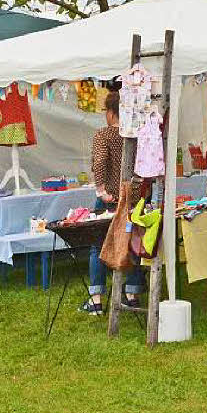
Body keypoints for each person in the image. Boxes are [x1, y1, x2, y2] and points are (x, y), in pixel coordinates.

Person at [83, 91, 146, 315]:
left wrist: (101, 190)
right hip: (134, 197)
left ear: (111, 113)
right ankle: (132, 294)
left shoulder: (104, 135)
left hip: (110, 198)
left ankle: (96, 299)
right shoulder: (137, 134)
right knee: (134, 241)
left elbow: (100, 162)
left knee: (98, 245)